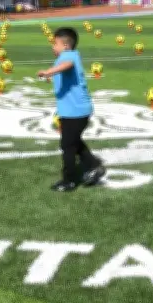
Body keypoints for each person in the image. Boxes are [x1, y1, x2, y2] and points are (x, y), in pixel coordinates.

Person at [37, 27, 105, 192]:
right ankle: (94, 166)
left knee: (67, 145)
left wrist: (48, 72)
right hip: (73, 111)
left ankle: (69, 180)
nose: (53, 47)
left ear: (66, 46)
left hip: (75, 112)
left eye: (56, 43)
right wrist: (52, 76)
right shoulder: (66, 56)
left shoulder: (68, 56)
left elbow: (67, 65)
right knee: (73, 142)